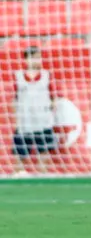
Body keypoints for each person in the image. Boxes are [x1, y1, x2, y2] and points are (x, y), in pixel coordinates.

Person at [12, 46, 57, 176]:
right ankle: (19, 178)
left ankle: (43, 177)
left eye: (38, 57)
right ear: (26, 60)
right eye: (33, 57)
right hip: (24, 123)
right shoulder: (18, 76)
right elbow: (13, 100)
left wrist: (50, 114)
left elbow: (54, 98)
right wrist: (16, 119)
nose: (36, 60)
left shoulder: (47, 76)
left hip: (43, 122)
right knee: (20, 154)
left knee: (43, 153)